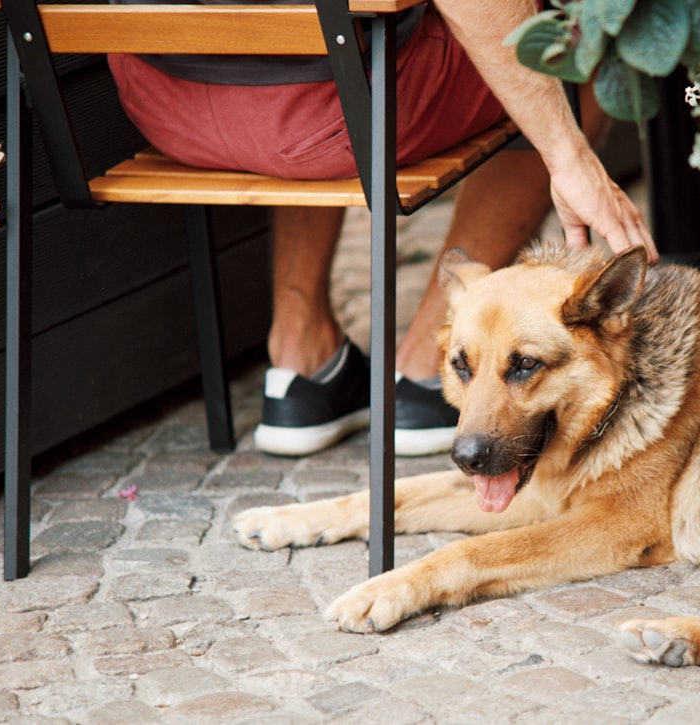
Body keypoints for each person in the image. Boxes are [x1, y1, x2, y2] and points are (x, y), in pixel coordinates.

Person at [107, 0, 657, 457]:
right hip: (330, 107)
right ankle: (427, 370)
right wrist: (568, 157)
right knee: (574, 29)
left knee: (306, 34)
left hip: (160, 97)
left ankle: (301, 358)